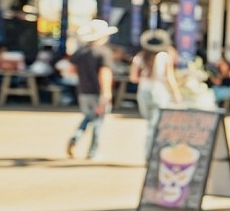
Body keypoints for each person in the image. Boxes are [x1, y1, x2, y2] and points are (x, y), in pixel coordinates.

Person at [66, 20, 117, 160]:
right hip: (97, 92)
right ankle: (93, 152)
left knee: (88, 116)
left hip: (83, 91)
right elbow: (104, 73)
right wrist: (106, 92)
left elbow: (71, 70)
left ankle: (76, 136)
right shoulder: (103, 52)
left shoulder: (80, 52)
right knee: (98, 122)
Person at [130, 29, 183, 157]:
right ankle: (151, 153)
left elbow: (133, 78)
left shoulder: (139, 57)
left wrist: (145, 78)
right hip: (159, 92)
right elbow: (169, 78)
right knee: (155, 125)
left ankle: (150, 152)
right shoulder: (164, 57)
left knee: (150, 123)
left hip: (143, 92)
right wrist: (176, 93)